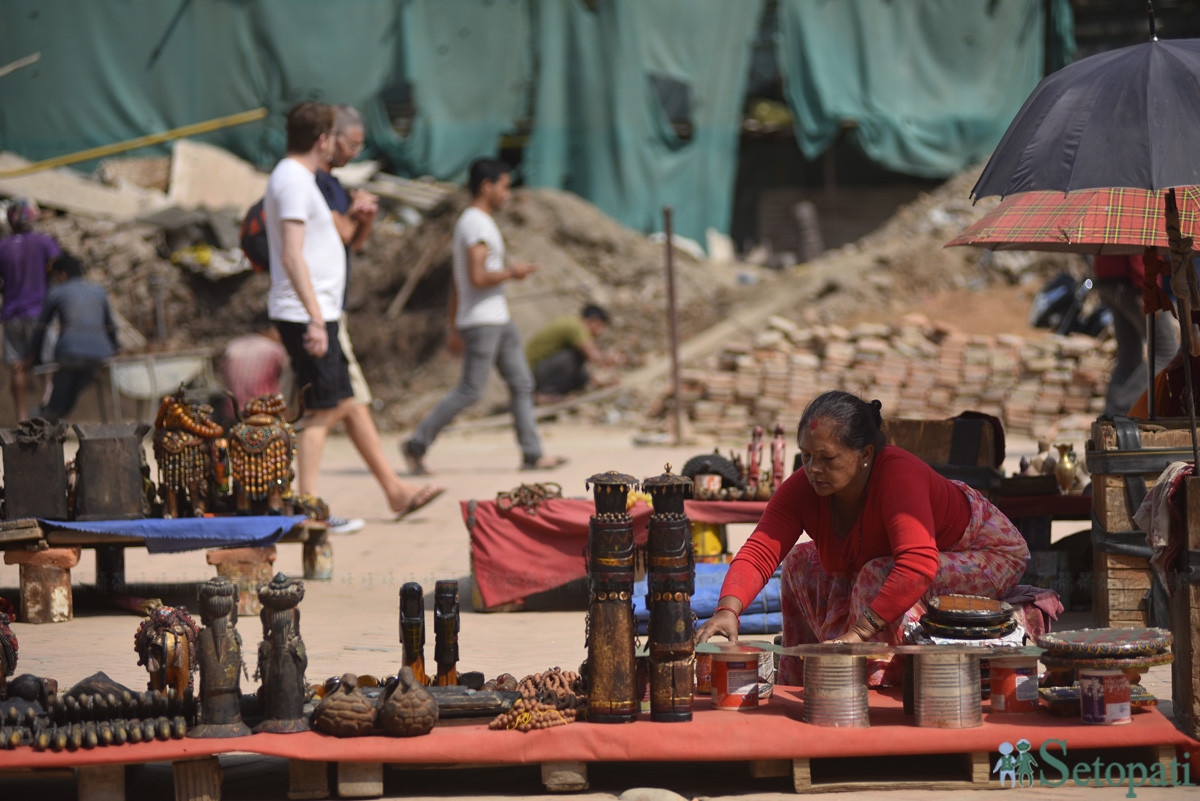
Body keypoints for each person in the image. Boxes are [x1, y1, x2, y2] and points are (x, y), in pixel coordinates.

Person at [695, 390, 1030, 687]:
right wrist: (728, 610)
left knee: (877, 575)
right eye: (807, 456)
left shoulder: (897, 475)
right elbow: (759, 551)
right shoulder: (805, 487)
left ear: (866, 453)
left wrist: (858, 634)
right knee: (799, 562)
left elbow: (916, 564)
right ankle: (800, 679)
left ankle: (874, 679)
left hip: (987, 552)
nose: (813, 469)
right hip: (895, 559)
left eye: (827, 458)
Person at [264, 101, 443, 520]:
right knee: (323, 411)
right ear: (324, 139)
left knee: (345, 401)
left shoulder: (307, 180)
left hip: (320, 311)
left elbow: (336, 240)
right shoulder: (292, 180)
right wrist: (314, 318)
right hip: (308, 313)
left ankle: (394, 492)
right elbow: (292, 257)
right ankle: (308, 509)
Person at [401, 158, 566, 474]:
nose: (507, 193)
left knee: (521, 383)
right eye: (504, 185)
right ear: (486, 186)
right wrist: (512, 273)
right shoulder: (475, 223)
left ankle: (532, 453)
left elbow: (458, 281)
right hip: (482, 322)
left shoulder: (479, 222)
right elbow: (476, 276)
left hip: (496, 319)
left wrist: (453, 326)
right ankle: (416, 443)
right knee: (471, 390)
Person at [315, 104, 378, 411]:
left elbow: (352, 242)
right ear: (329, 137)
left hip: (333, 302)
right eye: (350, 145)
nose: (354, 153)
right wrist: (354, 213)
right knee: (351, 397)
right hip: (320, 305)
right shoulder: (315, 182)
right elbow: (340, 231)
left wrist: (365, 217)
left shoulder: (336, 185)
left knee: (335, 398)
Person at [31, 253, 118, 421]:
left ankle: (43, 421)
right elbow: (110, 326)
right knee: (71, 394)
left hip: (69, 353)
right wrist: (116, 348)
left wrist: (33, 356)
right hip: (100, 354)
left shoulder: (56, 292)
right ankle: (54, 419)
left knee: (59, 399)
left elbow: (41, 328)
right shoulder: (99, 291)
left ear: (62, 274)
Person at [1093, 254, 1178, 417]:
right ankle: (1118, 411)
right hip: (1132, 282)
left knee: (1129, 355)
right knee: (1166, 350)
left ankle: (1109, 417)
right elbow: (1140, 242)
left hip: (1108, 277)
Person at [0, 199, 60, 421]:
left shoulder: (3, 246)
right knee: (49, 365)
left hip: (11, 314)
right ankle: (47, 409)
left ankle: (22, 417)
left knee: (17, 367)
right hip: (40, 312)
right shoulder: (43, 242)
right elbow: (58, 266)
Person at [525, 303, 619, 405]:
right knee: (572, 357)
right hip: (532, 373)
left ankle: (553, 394)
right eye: (601, 326)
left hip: (538, 371)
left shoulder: (573, 324)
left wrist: (600, 383)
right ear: (595, 321)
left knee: (582, 375)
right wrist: (612, 359)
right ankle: (543, 395)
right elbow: (594, 355)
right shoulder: (575, 326)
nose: (600, 332)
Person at [217, 312, 290, 419]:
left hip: (233, 412)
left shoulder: (233, 346)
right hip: (264, 412)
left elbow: (222, 375)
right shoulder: (274, 349)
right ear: (266, 330)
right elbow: (287, 378)